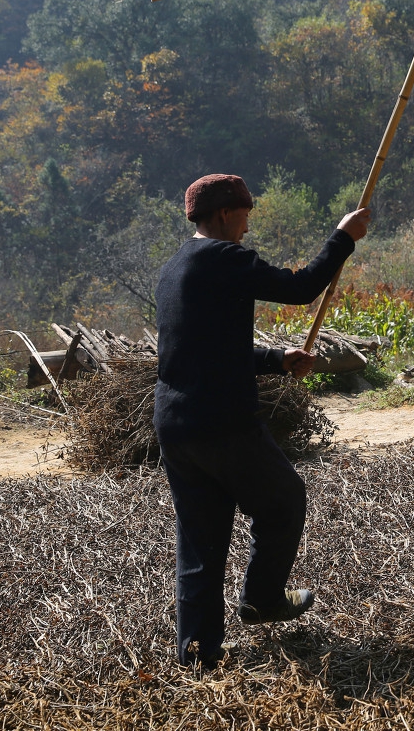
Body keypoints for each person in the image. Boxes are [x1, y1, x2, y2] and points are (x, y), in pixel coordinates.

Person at [153, 173, 370, 666]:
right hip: (223, 423)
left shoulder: (174, 269)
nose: (248, 226)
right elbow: (302, 288)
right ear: (227, 213)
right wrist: (343, 238)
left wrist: (275, 358)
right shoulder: (226, 258)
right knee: (284, 501)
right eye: (246, 215)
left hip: (175, 424)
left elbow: (203, 348)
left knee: (201, 543)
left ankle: (196, 653)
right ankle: (263, 599)